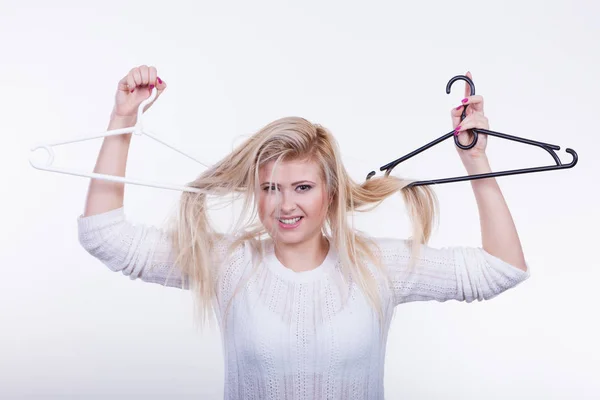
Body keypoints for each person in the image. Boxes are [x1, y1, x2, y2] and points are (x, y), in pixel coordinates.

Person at [77, 65, 530, 399]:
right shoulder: (229, 263)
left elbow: (501, 269)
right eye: (270, 188)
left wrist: (475, 161)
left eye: (303, 187)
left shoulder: (377, 266)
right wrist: (123, 120)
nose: (285, 204)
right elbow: (105, 237)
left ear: (330, 194)